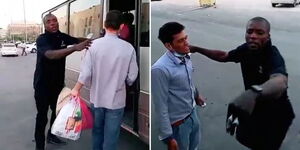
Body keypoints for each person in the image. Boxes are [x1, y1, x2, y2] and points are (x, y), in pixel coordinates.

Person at [190, 17, 295, 150]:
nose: (253, 36)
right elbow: (224, 56)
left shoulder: (272, 54)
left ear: (268, 36)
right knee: (247, 139)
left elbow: (280, 81)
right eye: (249, 32)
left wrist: (254, 92)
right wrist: (196, 49)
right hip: (253, 108)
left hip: (276, 114)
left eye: (259, 33)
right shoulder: (245, 49)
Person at [71, 10, 138, 150]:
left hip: (97, 99)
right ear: (121, 27)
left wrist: (76, 89)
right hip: (116, 101)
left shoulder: (93, 45)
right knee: (111, 136)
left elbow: (86, 72)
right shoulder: (128, 48)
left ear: (104, 24)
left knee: (97, 132)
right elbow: (132, 76)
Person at [33, 13, 91, 150]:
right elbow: (50, 55)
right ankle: (39, 146)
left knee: (57, 112)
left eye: (55, 20)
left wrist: (94, 40)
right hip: (42, 85)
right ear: (45, 25)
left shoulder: (62, 36)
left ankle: (51, 135)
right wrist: (74, 48)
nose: (53, 23)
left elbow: (77, 40)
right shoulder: (42, 39)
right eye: (49, 21)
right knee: (42, 116)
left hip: (58, 85)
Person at [152, 22, 205, 150]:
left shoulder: (185, 56)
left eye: (186, 38)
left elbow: (188, 80)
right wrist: (168, 137)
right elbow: (161, 105)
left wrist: (196, 95)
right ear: (169, 45)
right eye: (181, 41)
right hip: (178, 125)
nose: (187, 43)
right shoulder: (160, 69)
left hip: (193, 115)